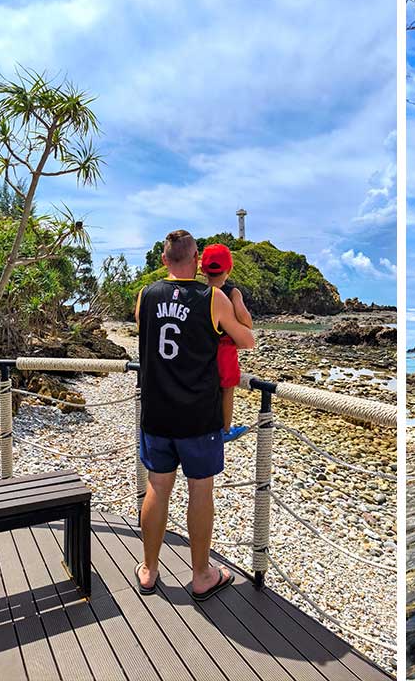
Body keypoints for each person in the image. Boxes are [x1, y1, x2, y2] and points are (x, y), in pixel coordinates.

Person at [133, 229, 255, 601]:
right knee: (200, 491)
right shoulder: (212, 297)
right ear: (197, 258)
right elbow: (247, 339)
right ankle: (201, 574)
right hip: (198, 415)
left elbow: (144, 328)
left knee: (157, 488)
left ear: (165, 259)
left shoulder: (146, 295)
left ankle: (149, 569)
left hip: (157, 411)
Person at [201, 243, 252, 441]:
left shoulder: (199, 292)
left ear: (203, 270)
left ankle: (205, 423)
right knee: (228, 389)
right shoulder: (232, 293)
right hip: (225, 349)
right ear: (229, 269)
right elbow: (246, 320)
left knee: (207, 387)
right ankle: (225, 429)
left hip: (204, 348)